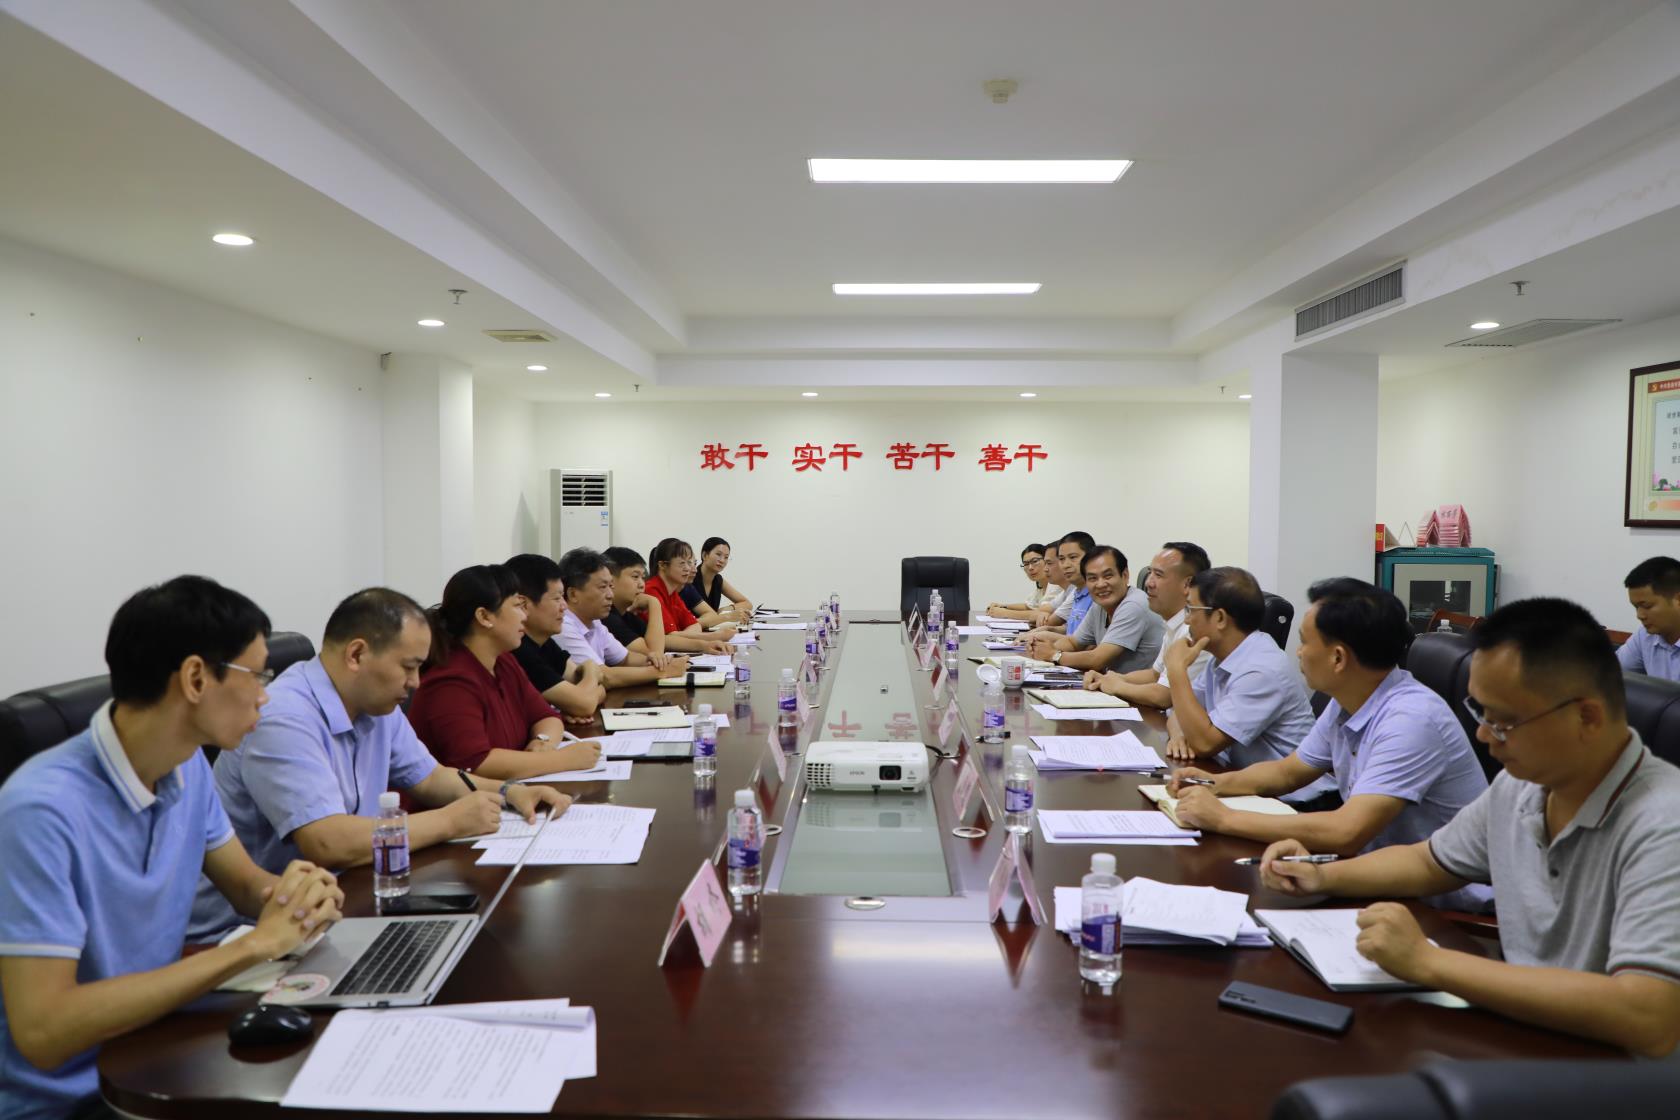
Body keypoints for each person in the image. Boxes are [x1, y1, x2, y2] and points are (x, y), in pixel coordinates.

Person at [1259, 598, 1680, 1057]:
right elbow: (1428, 861)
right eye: (1480, 712)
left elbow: (1648, 1017)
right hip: (1524, 1033)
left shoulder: (1664, 822)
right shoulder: (1522, 786)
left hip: (1615, 1072)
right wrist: (1321, 875)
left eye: (1503, 720)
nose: (1482, 734)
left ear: (1587, 716)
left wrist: (1428, 962)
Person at [0, 576, 344, 1120]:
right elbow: (44, 1031)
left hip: (156, 1050)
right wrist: (252, 947)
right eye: (258, 675)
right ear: (195, 678)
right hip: (75, 1099)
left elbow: (245, 885)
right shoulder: (39, 810)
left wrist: (296, 896)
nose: (265, 695)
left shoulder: (187, 765)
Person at [189, 587, 572, 940]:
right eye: (408, 667)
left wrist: (509, 792)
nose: (416, 682)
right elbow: (327, 841)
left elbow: (432, 778)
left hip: (338, 901)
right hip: (243, 932)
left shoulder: (375, 705)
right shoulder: (285, 716)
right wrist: (450, 821)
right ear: (356, 655)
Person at [1168, 579, 1490, 909]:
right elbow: (1288, 772)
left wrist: (1224, 819)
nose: (1298, 652)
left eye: (1304, 642)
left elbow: (1346, 832)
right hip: (1376, 877)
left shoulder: (1411, 720)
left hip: (1444, 906)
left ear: (1338, 658)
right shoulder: (1349, 700)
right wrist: (1213, 784)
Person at [407, 565, 602, 779]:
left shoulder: (504, 661)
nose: (524, 615)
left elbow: (547, 716)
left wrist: (542, 743)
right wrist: (562, 760)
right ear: (484, 616)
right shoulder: (450, 681)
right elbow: (475, 763)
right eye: (517, 605)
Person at [1163, 566, 1337, 805]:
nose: (1186, 619)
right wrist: (1178, 736)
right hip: (1244, 784)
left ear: (1220, 618)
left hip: (1297, 802)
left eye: (1191, 609)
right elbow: (1178, 711)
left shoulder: (1261, 669)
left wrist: (1176, 671)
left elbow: (1204, 743)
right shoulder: (1223, 656)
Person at [1083, 542, 1213, 708]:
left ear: (1187, 584)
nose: (1148, 583)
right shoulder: (1173, 623)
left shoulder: (1195, 629)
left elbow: (1165, 696)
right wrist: (1112, 678)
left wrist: (1118, 686)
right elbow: (1154, 675)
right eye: (1150, 573)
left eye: (1158, 575)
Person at [557, 547, 689, 686]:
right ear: (573, 594)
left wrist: (658, 661)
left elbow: (626, 658)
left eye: (610, 586)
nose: (610, 595)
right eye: (603, 587)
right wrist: (663, 671)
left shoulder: (595, 623)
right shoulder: (564, 626)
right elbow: (603, 677)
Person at [503, 553, 608, 720]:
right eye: (557, 598)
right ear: (524, 604)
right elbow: (584, 704)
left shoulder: (544, 642)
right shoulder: (517, 650)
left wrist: (578, 699)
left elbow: (597, 688)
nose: (564, 606)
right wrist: (591, 669)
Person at [1027, 546, 1162, 673]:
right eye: (1092, 578)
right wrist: (1041, 648)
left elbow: (1097, 660)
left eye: (1108, 576)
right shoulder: (1099, 605)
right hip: (1111, 683)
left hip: (1136, 688)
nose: (1100, 584)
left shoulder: (1134, 605)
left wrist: (1054, 655)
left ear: (1125, 575)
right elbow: (1073, 643)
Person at [602, 547, 727, 657]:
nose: (641, 584)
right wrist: (654, 604)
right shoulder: (607, 617)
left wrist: (705, 645)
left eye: (642, 577)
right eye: (635, 577)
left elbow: (664, 640)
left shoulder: (629, 612)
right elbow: (654, 653)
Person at [647, 538, 736, 641]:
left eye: (690, 563)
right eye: (682, 563)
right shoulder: (652, 591)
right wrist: (713, 637)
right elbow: (667, 638)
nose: (688, 569)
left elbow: (694, 625)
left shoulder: (673, 593)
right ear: (662, 565)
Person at [1617, 556, 1680, 681]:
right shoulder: (1645, 636)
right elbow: (1610, 670)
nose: (1639, 615)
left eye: (1647, 606)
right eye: (1636, 607)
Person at [1027, 531, 1095, 636]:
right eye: (1062, 559)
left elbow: (1085, 642)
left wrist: (1053, 642)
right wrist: (1049, 630)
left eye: (1073, 557)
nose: (1066, 565)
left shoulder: (1096, 594)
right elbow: (1073, 631)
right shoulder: (1078, 592)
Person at [985, 543, 1061, 621]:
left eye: (1035, 561)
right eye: (1026, 564)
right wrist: (1003, 606)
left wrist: (1005, 613)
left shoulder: (1056, 585)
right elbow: (1029, 606)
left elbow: (1041, 613)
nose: (1030, 568)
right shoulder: (1041, 586)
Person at [683, 537, 753, 621]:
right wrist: (725, 616)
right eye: (718, 554)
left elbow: (747, 604)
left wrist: (725, 609)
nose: (722, 560)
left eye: (726, 557)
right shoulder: (689, 579)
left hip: (710, 626)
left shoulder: (718, 580)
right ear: (704, 555)